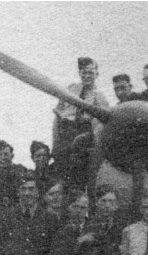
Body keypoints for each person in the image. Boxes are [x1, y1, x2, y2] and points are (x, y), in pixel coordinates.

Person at [52, 57, 110, 188]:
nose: (87, 76)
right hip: (64, 137)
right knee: (61, 177)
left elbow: (102, 125)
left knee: (78, 178)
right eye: (84, 72)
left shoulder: (99, 96)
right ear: (80, 73)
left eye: (91, 73)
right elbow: (57, 116)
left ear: (97, 74)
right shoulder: (70, 89)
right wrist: (55, 141)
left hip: (82, 140)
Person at [0, 139, 29, 207]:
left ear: (12, 156)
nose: (3, 157)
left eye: (6, 154)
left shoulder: (20, 169)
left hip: (16, 206)